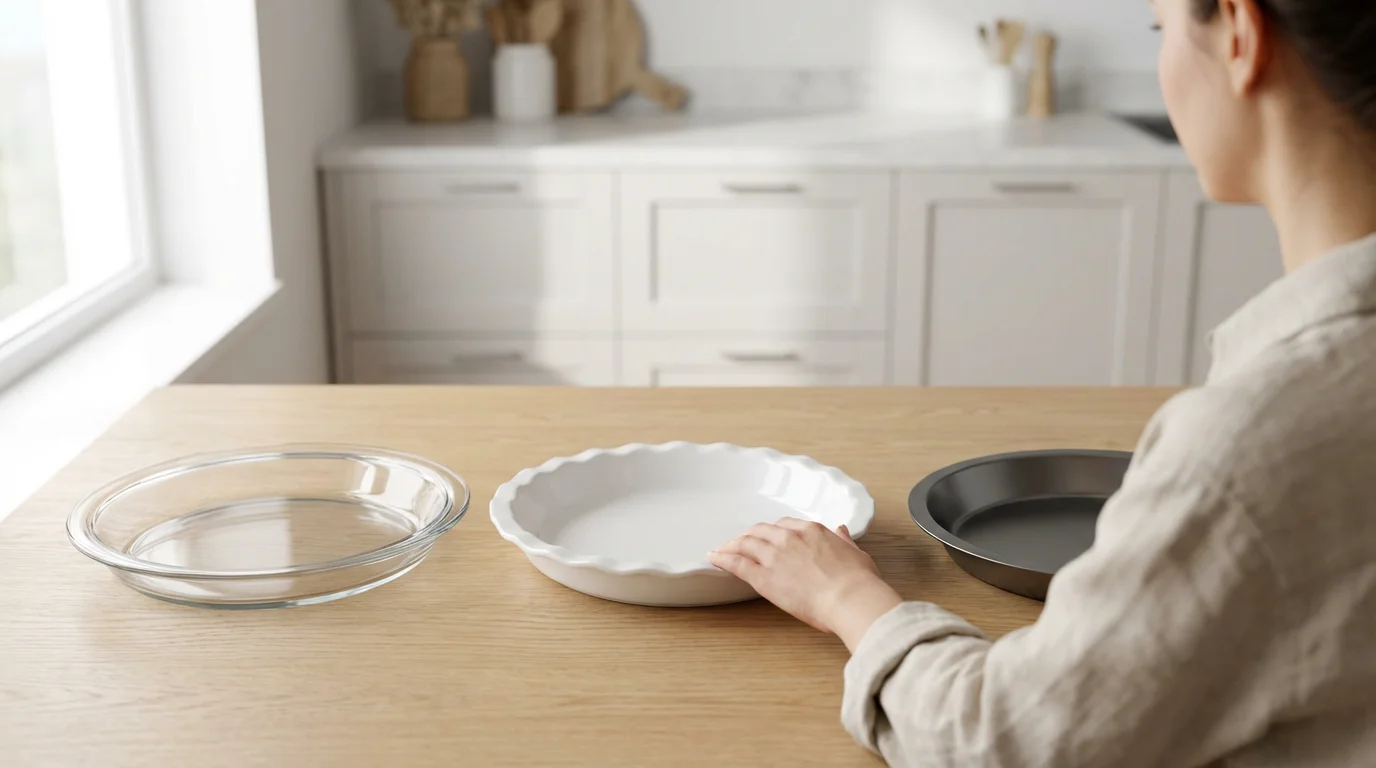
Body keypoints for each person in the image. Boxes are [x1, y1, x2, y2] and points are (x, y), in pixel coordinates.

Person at [709, 0, 1376, 765]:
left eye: (1161, 31)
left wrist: (846, 597)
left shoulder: (1259, 443)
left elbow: (1007, 740)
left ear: (1239, 33)